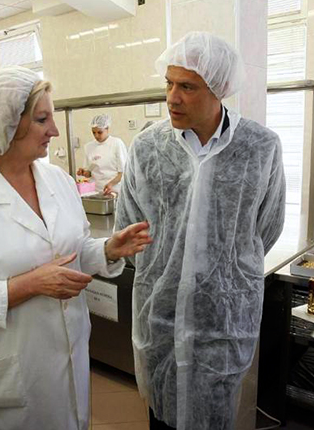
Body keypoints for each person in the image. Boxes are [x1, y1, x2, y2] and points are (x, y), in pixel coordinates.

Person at [0, 67, 152, 430]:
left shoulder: (58, 181)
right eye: (42, 119)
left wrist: (107, 249)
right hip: (12, 375)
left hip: (69, 359)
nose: (55, 131)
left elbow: (71, 252)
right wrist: (28, 285)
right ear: (6, 122)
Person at [115, 31, 286, 430]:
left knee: (215, 416)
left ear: (219, 88)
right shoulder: (147, 147)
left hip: (223, 321)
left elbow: (266, 227)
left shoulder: (260, 147)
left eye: (187, 87)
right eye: (169, 84)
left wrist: (224, 274)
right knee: (162, 416)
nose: (172, 97)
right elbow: (129, 225)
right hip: (160, 316)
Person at [76, 114, 127, 195]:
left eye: (100, 132)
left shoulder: (116, 143)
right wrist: (84, 172)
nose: (96, 135)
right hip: (95, 191)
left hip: (114, 190)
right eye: (94, 133)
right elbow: (90, 172)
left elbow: (123, 172)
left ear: (107, 129)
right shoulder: (89, 147)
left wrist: (111, 184)